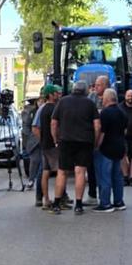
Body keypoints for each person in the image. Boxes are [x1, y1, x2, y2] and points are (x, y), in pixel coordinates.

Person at [51, 81, 99, 215]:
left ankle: (56, 203)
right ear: (85, 91)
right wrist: (94, 142)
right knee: (80, 172)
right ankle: (78, 205)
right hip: (84, 142)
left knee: (62, 172)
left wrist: (56, 139)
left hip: (66, 140)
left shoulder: (63, 102)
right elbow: (97, 125)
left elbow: (54, 123)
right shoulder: (90, 103)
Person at [94, 88, 128, 213]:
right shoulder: (122, 112)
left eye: (103, 97)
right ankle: (119, 202)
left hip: (106, 149)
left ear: (107, 98)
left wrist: (97, 145)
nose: (101, 99)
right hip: (119, 147)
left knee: (104, 177)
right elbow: (124, 131)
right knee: (117, 177)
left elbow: (102, 132)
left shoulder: (105, 113)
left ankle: (105, 203)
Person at [33, 85, 62, 211]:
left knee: (45, 171)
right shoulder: (55, 109)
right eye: (56, 93)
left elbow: (36, 128)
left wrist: (42, 140)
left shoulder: (42, 109)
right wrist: (56, 140)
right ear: (50, 95)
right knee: (60, 172)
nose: (59, 94)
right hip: (53, 145)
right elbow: (54, 125)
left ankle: (46, 199)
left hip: (45, 145)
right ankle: (58, 199)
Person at [85, 75, 110, 203]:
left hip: (106, 139)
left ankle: (105, 198)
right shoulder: (91, 98)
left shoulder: (111, 98)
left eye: (99, 85)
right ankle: (92, 195)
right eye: (95, 84)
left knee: (105, 170)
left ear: (106, 86)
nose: (95, 87)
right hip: (92, 138)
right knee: (91, 168)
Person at [21, 95, 42, 207]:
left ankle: (35, 181)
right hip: (34, 141)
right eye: (39, 101)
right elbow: (26, 127)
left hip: (43, 140)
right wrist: (30, 139)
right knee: (34, 161)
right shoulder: (29, 112)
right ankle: (31, 179)